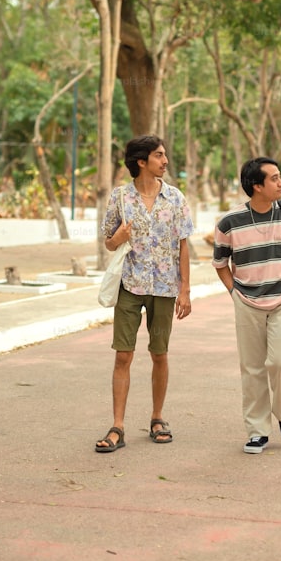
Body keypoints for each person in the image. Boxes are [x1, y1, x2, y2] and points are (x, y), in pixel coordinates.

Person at [94, 135, 194, 453]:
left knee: (159, 353)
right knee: (123, 354)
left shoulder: (175, 198)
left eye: (165, 155)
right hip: (130, 284)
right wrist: (118, 236)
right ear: (142, 161)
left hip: (164, 287)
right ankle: (117, 426)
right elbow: (108, 242)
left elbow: (183, 245)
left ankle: (157, 417)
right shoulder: (121, 197)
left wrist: (185, 290)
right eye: (159, 156)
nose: (165, 161)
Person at [212, 157, 281, 454]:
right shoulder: (229, 222)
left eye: (280, 177)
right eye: (274, 178)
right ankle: (258, 430)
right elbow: (220, 263)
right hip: (247, 300)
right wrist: (234, 293)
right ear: (256, 186)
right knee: (253, 368)